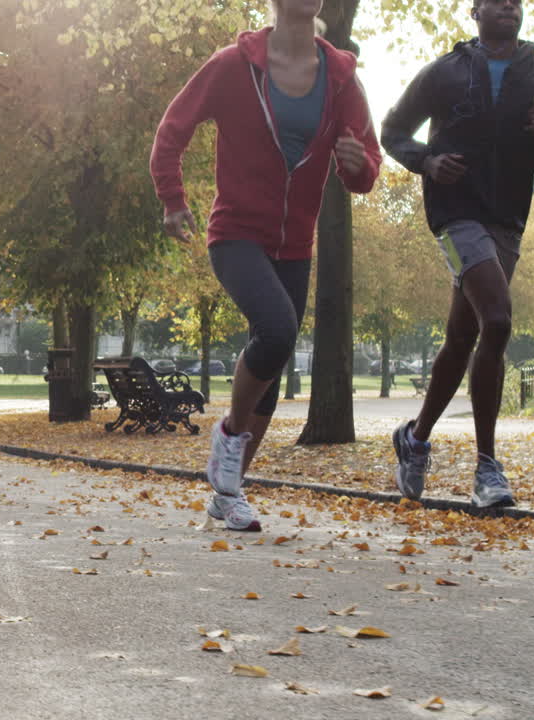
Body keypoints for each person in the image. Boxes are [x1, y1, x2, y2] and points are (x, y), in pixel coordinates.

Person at [150, 0, 380, 531]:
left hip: (296, 245)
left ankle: (229, 492)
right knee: (277, 332)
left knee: (273, 369)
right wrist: (172, 199)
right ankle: (229, 436)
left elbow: (367, 166)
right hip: (235, 235)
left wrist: (357, 165)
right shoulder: (234, 65)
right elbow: (172, 130)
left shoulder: (342, 79)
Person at [384, 0, 534, 509]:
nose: (508, 6)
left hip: (507, 221)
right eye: (496, 0)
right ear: (475, 11)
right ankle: (487, 468)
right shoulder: (445, 73)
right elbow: (393, 130)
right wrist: (427, 161)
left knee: (463, 335)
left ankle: (416, 439)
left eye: (516, 0)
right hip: (454, 214)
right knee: (497, 320)